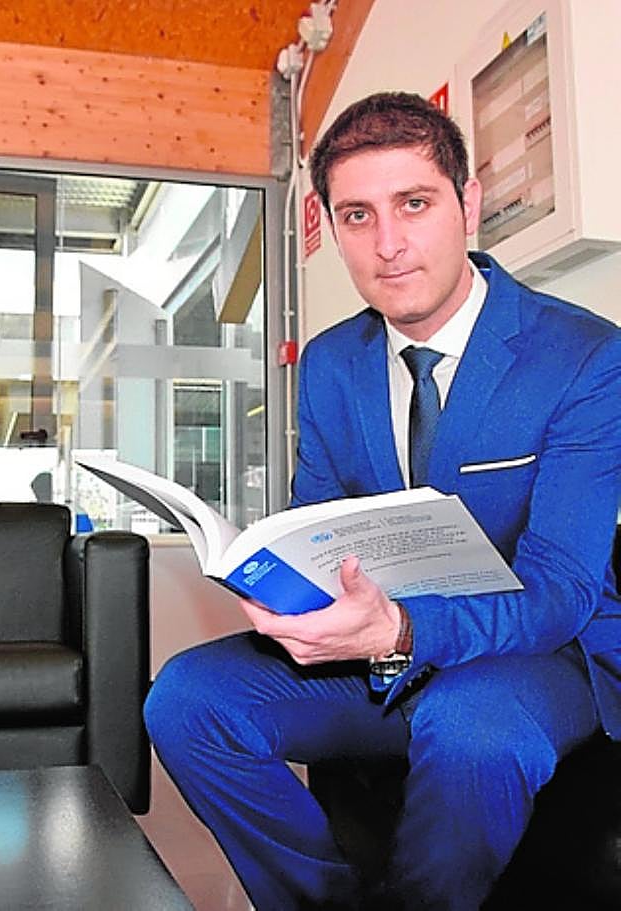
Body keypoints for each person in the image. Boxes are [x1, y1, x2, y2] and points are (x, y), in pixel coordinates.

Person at [144, 92, 621, 910]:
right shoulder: (331, 363)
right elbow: (317, 523)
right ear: (333, 227)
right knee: (186, 699)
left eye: (414, 204)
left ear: (468, 204)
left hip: (541, 655)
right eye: (357, 215)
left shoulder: (584, 355)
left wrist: (403, 627)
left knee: (471, 727)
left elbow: (562, 590)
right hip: (379, 656)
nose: (388, 244)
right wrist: (287, 595)